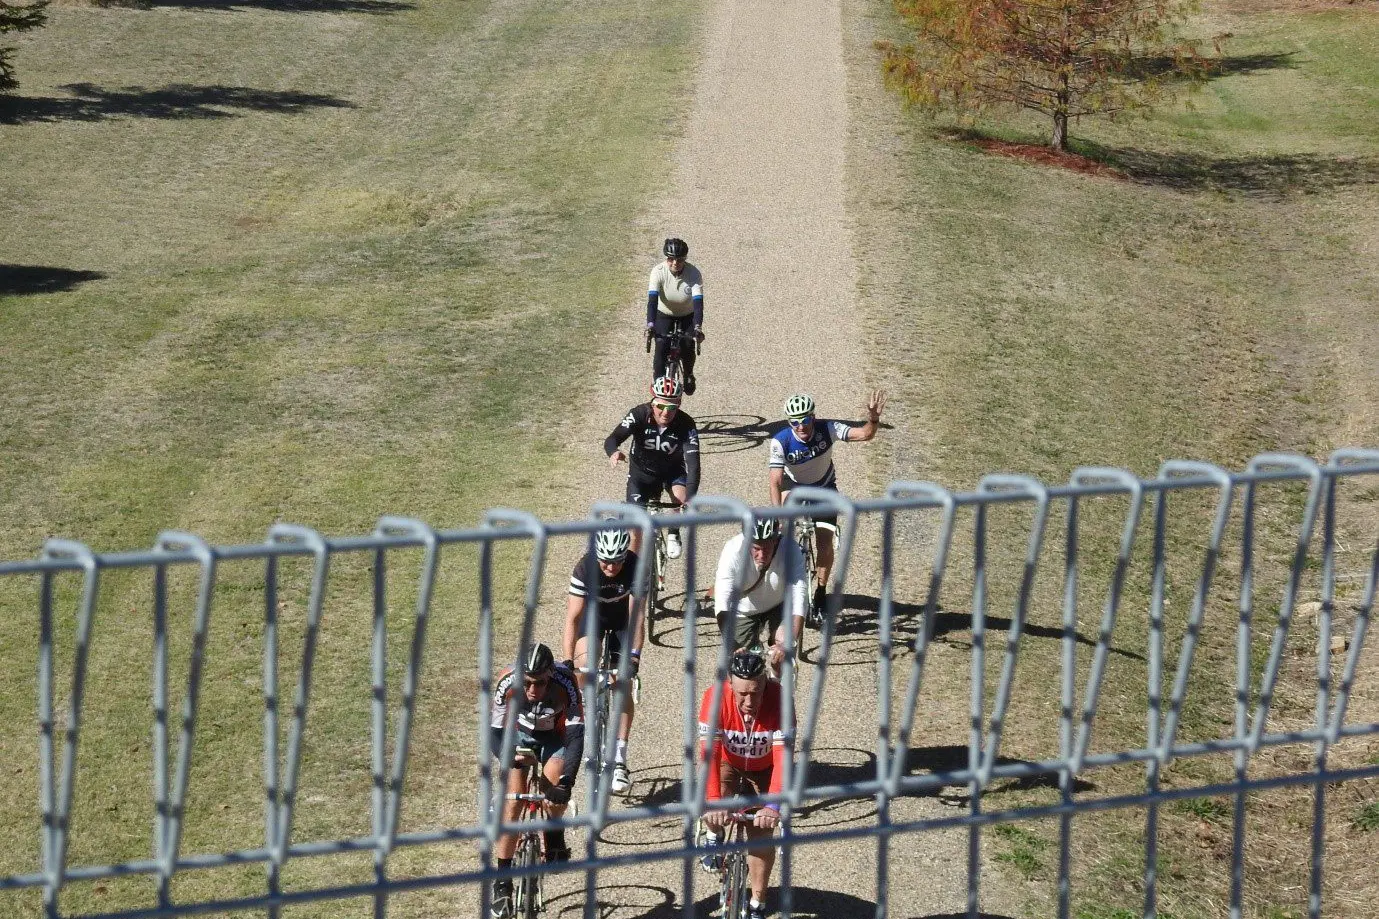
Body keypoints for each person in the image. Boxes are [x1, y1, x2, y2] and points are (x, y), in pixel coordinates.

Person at [767, 390, 886, 618]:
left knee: (824, 543)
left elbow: (865, 434)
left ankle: (820, 592)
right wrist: (778, 515)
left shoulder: (828, 429)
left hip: (824, 487)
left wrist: (873, 418)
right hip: (794, 487)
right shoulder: (780, 441)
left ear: (813, 417)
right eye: (794, 422)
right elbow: (775, 482)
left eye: (805, 420)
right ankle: (777, 583)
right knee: (777, 532)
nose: (801, 426)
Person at [488, 643, 583, 919]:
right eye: (527, 683)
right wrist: (508, 759)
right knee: (513, 803)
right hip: (518, 735)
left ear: (550, 675)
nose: (532, 689)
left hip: (555, 737)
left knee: (554, 793)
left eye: (539, 683)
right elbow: (494, 732)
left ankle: (553, 834)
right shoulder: (507, 682)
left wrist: (566, 782)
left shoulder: (567, 683)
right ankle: (502, 882)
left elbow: (576, 736)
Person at [698, 650, 792, 919]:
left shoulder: (780, 700)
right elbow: (709, 756)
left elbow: (783, 759)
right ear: (729, 684)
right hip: (728, 761)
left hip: (766, 768)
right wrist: (713, 802)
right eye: (741, 694)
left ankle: (757, 903)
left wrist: (772, 806)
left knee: (761, 837)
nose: (749, 702)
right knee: (713, 802)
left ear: (765, 683)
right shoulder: (714, 698)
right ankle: (713, 836)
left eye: (755, 692)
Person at [562, 528, 645, 794]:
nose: (611, 567)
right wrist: (568, 661)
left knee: (622, 684)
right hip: (593, 620)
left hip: (623, 622)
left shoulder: (635, 567)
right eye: (605, 561)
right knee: (584, 664)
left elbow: (637, 617)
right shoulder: (585, 568)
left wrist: (634, 657)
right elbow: (573, 619)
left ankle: (619, 758)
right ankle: (587, 713)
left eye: (617, 561)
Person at [605, 376, 701, 560]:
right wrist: (613, 452)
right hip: (641, 474)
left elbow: (694, 465)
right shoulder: (639, 414)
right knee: (635, 528)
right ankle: (633, 567)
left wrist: (690, 499)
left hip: (672, 472)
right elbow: (612, 438)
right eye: (661, 406)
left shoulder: (686, 423)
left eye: (672, 408)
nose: (665, 412)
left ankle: (674, 531)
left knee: (681, 498)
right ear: (652, 403)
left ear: (679, 405)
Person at [713, 518, 808, 678]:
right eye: (756, 548)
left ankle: (780, 679)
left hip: (779, 604)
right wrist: (733, 645)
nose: (762, 555)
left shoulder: (789, 549)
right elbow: (722, 602)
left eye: (767, 548)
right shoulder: (733, 551)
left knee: (784, 648)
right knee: (742, 669)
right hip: (743, 610)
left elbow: (799, 596)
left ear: (776, 541)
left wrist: (790, 642)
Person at [646, 237, 705, 395]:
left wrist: (698, 327)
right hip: (664, 314)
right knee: (661, 344)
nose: (675, 263)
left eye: (679, 260)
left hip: (687, 315)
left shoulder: (694, 274)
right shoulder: (658, 272)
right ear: (666, 258)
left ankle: (688, 374)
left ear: (685, 259)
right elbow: (652, 301)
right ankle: (658, 380)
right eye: (670, 259)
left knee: (688, 344)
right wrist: (650, 325)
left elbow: (698, 303)